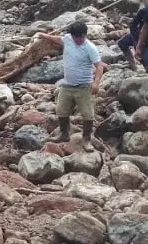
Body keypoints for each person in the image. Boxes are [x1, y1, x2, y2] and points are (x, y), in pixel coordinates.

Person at [37, 22, 106, 153]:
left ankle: (86, 139)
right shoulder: (68, 38)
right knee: (61, 110)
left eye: (79, 38)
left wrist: (96, 83)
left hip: (84, 86)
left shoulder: (90, 48)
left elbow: (100, 66)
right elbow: (58, 39)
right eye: (75, 37)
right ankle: (64, 134)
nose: (77, 40)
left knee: (88, 114)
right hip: (67, 85)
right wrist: (44, 36)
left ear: (85, 35)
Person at [118, 0, 148, 70]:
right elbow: (133, 25)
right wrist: (137, 37)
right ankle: (133, 66)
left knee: (144, 55)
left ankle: (147, 67)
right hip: (138, 35)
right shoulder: (143, 11)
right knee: (122, 43)